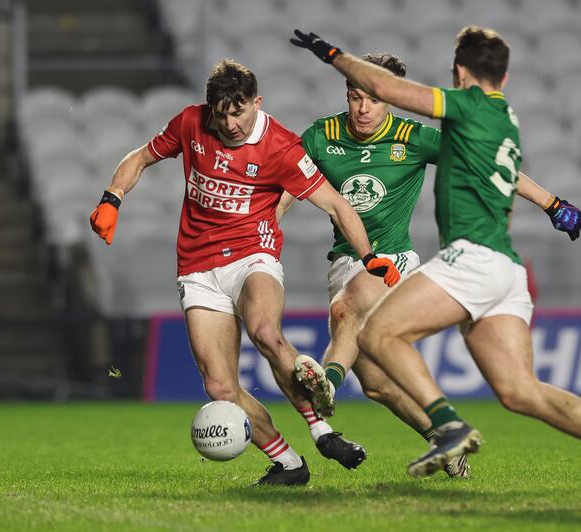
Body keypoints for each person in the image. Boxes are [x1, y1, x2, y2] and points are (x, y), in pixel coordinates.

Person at [291, 27, 581, 506]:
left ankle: (447, 427)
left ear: (460, 73)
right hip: (507, 270)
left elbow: (385, 87)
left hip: (473, 258)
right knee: (520, 391)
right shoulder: (505, 116)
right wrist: (552, 204)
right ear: (504, 75)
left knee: (377, 334)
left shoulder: (466, 104)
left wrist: (332, 53)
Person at [89, 59, 401, 485]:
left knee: (265, 332)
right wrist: (113, 196)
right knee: (220, 388)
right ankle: (289, 463)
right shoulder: (190, 124)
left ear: (257, 103)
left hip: (253, 255)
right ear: (210, 109)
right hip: (198, 268)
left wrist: (368, 258)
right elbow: (141, 157)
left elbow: (336, 204)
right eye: (223, 114)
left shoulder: (282, 147)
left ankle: (323, 431)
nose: (231, 123)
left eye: (239, 112)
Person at [277, 51, 581, 479]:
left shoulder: (414, 137)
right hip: (344, 263)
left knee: (347, 308)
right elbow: (288, 189)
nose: (363, 109)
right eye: (354, 97)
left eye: (373, 100)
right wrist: (264, 232)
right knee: (379, 385)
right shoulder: (320, 136)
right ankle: (442, 436)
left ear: (390, 100)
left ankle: (327, 382)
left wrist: (552, 204)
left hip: (391, 262)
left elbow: (487, 165)